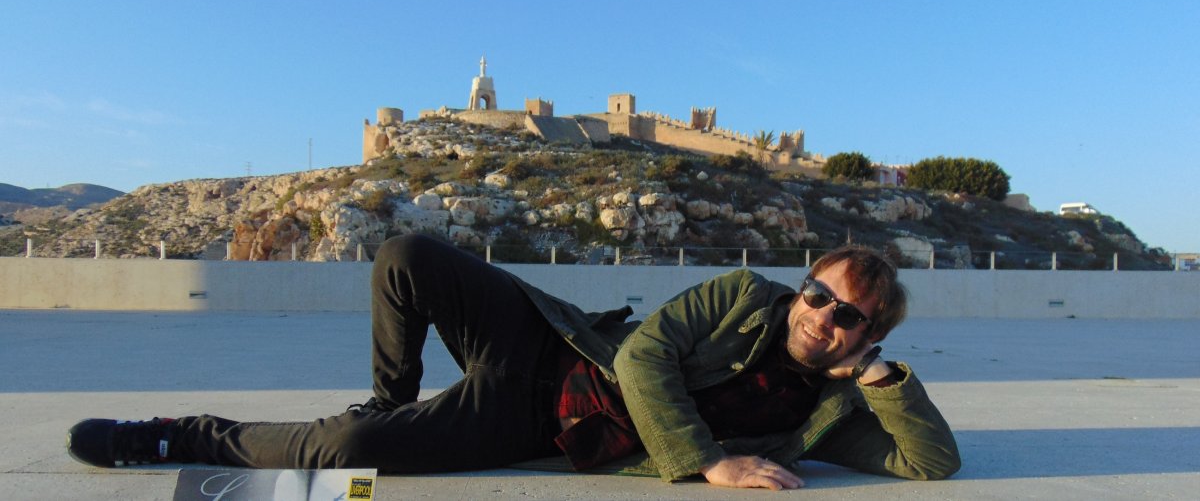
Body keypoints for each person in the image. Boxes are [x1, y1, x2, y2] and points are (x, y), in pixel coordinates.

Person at [67, 233, 960, 490]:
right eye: (817, 293)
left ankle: (175, 435)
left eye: (848, 315)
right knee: (407, 257)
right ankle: (389, 396)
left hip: (536, 422)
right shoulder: (740, 293)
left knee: (345, 454)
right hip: (548, 344)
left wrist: (882, 382)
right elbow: (645, 357)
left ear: (867, 333)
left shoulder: (831, 413)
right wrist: (709, 461)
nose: (822, 316)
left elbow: (930, 462)